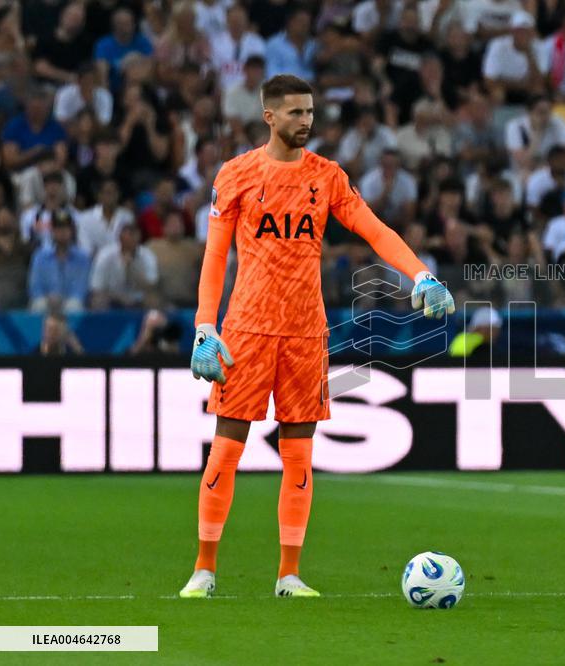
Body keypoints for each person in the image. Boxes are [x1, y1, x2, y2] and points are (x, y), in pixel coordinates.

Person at [179, 75, 455, 600]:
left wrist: (419, 272)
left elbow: (373, 229)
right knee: (227, 448)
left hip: (306, 332)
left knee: (299, 453)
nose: (306, 120)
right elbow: (216, 255)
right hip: (247, 330)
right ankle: (204, 569)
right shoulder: (236, 174)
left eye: (310, 112)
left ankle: (289, 575)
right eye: (295, 113)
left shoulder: (327, 177)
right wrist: (204, 326)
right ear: (269, 117)